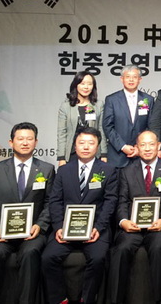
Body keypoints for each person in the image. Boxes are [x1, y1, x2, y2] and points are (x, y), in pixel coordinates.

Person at [0, 122, 55, 304]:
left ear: (36, 142)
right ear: (11, 142)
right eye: (20, 139)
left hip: (32, 234)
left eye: (29, 139)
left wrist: (40, 226)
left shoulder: (46, 169)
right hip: (0, 234)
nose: (25, 143)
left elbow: (50, 203)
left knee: (30, 253)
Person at [42, 126, 118, 304]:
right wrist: (59, 227)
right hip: (66, 228)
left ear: (98, 146)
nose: (86, 146)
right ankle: (60, 299)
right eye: (81, 142)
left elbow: (110, 201)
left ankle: (87, 299)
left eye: (91, 143)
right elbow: (55, 201)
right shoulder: (63, 171)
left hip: (95, 229)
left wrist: (98, 228)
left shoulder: (108, 170)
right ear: (74, 146)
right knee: (48, 258)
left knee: (98, 259)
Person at [108, 130, 161, 304]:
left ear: (158, 146)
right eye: (143, 145)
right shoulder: (126, 171)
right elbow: (122, 201)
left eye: (151, 144)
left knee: (158, 248)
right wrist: (123, 221)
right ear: (137, 148)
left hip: (159, 226)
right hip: (132, 226)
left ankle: (159, 300)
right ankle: (116, 299)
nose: (147, 148)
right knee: (122, 249)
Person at [103, 64, 154, 167]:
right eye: (127, 77)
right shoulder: (112, 100)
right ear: (122, 79)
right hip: (118, 155)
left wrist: (139, 147)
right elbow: (108, 126)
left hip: (141, 155)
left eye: (134, 77)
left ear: (140, 80)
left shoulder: (148, 99)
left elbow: (151, 125)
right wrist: (122, 146)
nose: (131, 80)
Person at [57, 70, 108, 165]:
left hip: (93, 152)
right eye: (82, 83)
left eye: (89, 84)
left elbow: (102, 130)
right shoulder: (66, 106)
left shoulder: (99, 105)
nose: (86, 87)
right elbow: (62, 133)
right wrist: (61, 157)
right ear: (76, 85)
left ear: (93, 86)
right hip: (72, 152)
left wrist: (104, 154)